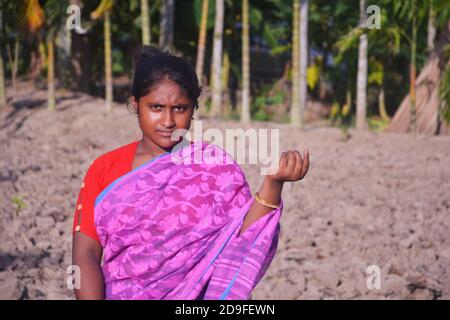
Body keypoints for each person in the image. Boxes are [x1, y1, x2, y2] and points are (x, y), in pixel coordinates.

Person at [71, 46, 309, 300]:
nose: (168, 120)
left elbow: (242, 240)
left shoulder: (215, 168)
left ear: (194, 109)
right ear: (135, 104)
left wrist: (274, 183)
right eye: (156, 107)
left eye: (180, 108)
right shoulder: (105, 169)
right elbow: (85, 253)